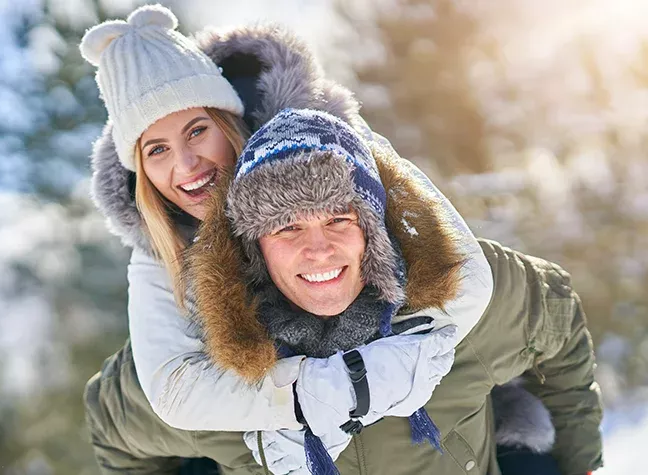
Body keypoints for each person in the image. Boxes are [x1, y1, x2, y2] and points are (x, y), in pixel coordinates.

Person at [80, 5, 602, 475]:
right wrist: (310, 396)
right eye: (156, 150)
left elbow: (535, 306)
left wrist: (559, 463)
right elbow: (131, 414)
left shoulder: (348, 169)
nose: (186, 165)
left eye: (197, 130)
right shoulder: (189, 318)